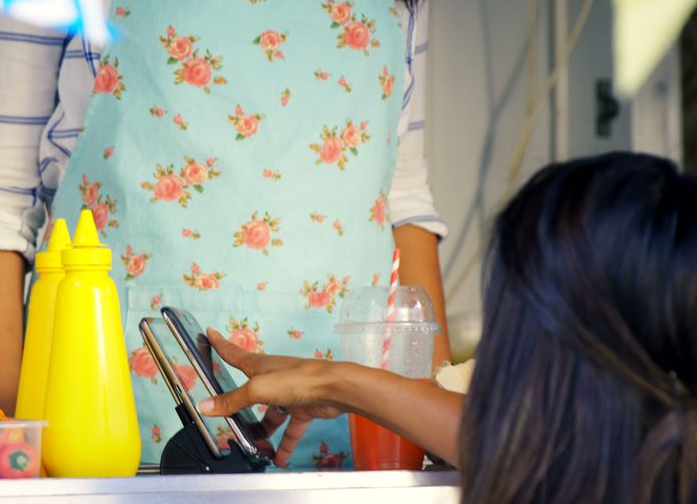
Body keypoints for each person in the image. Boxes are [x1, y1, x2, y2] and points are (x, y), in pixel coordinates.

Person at [0, 0, 451, 468]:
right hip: (106, 450)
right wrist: (12, 461)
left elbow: (402, 202)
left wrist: (436, 439)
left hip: (360, 452)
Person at [199, 152, 697, 502]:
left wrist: (339, 382)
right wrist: (338, 382)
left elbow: (527, 443)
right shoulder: (649, 449)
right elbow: (520, 441)